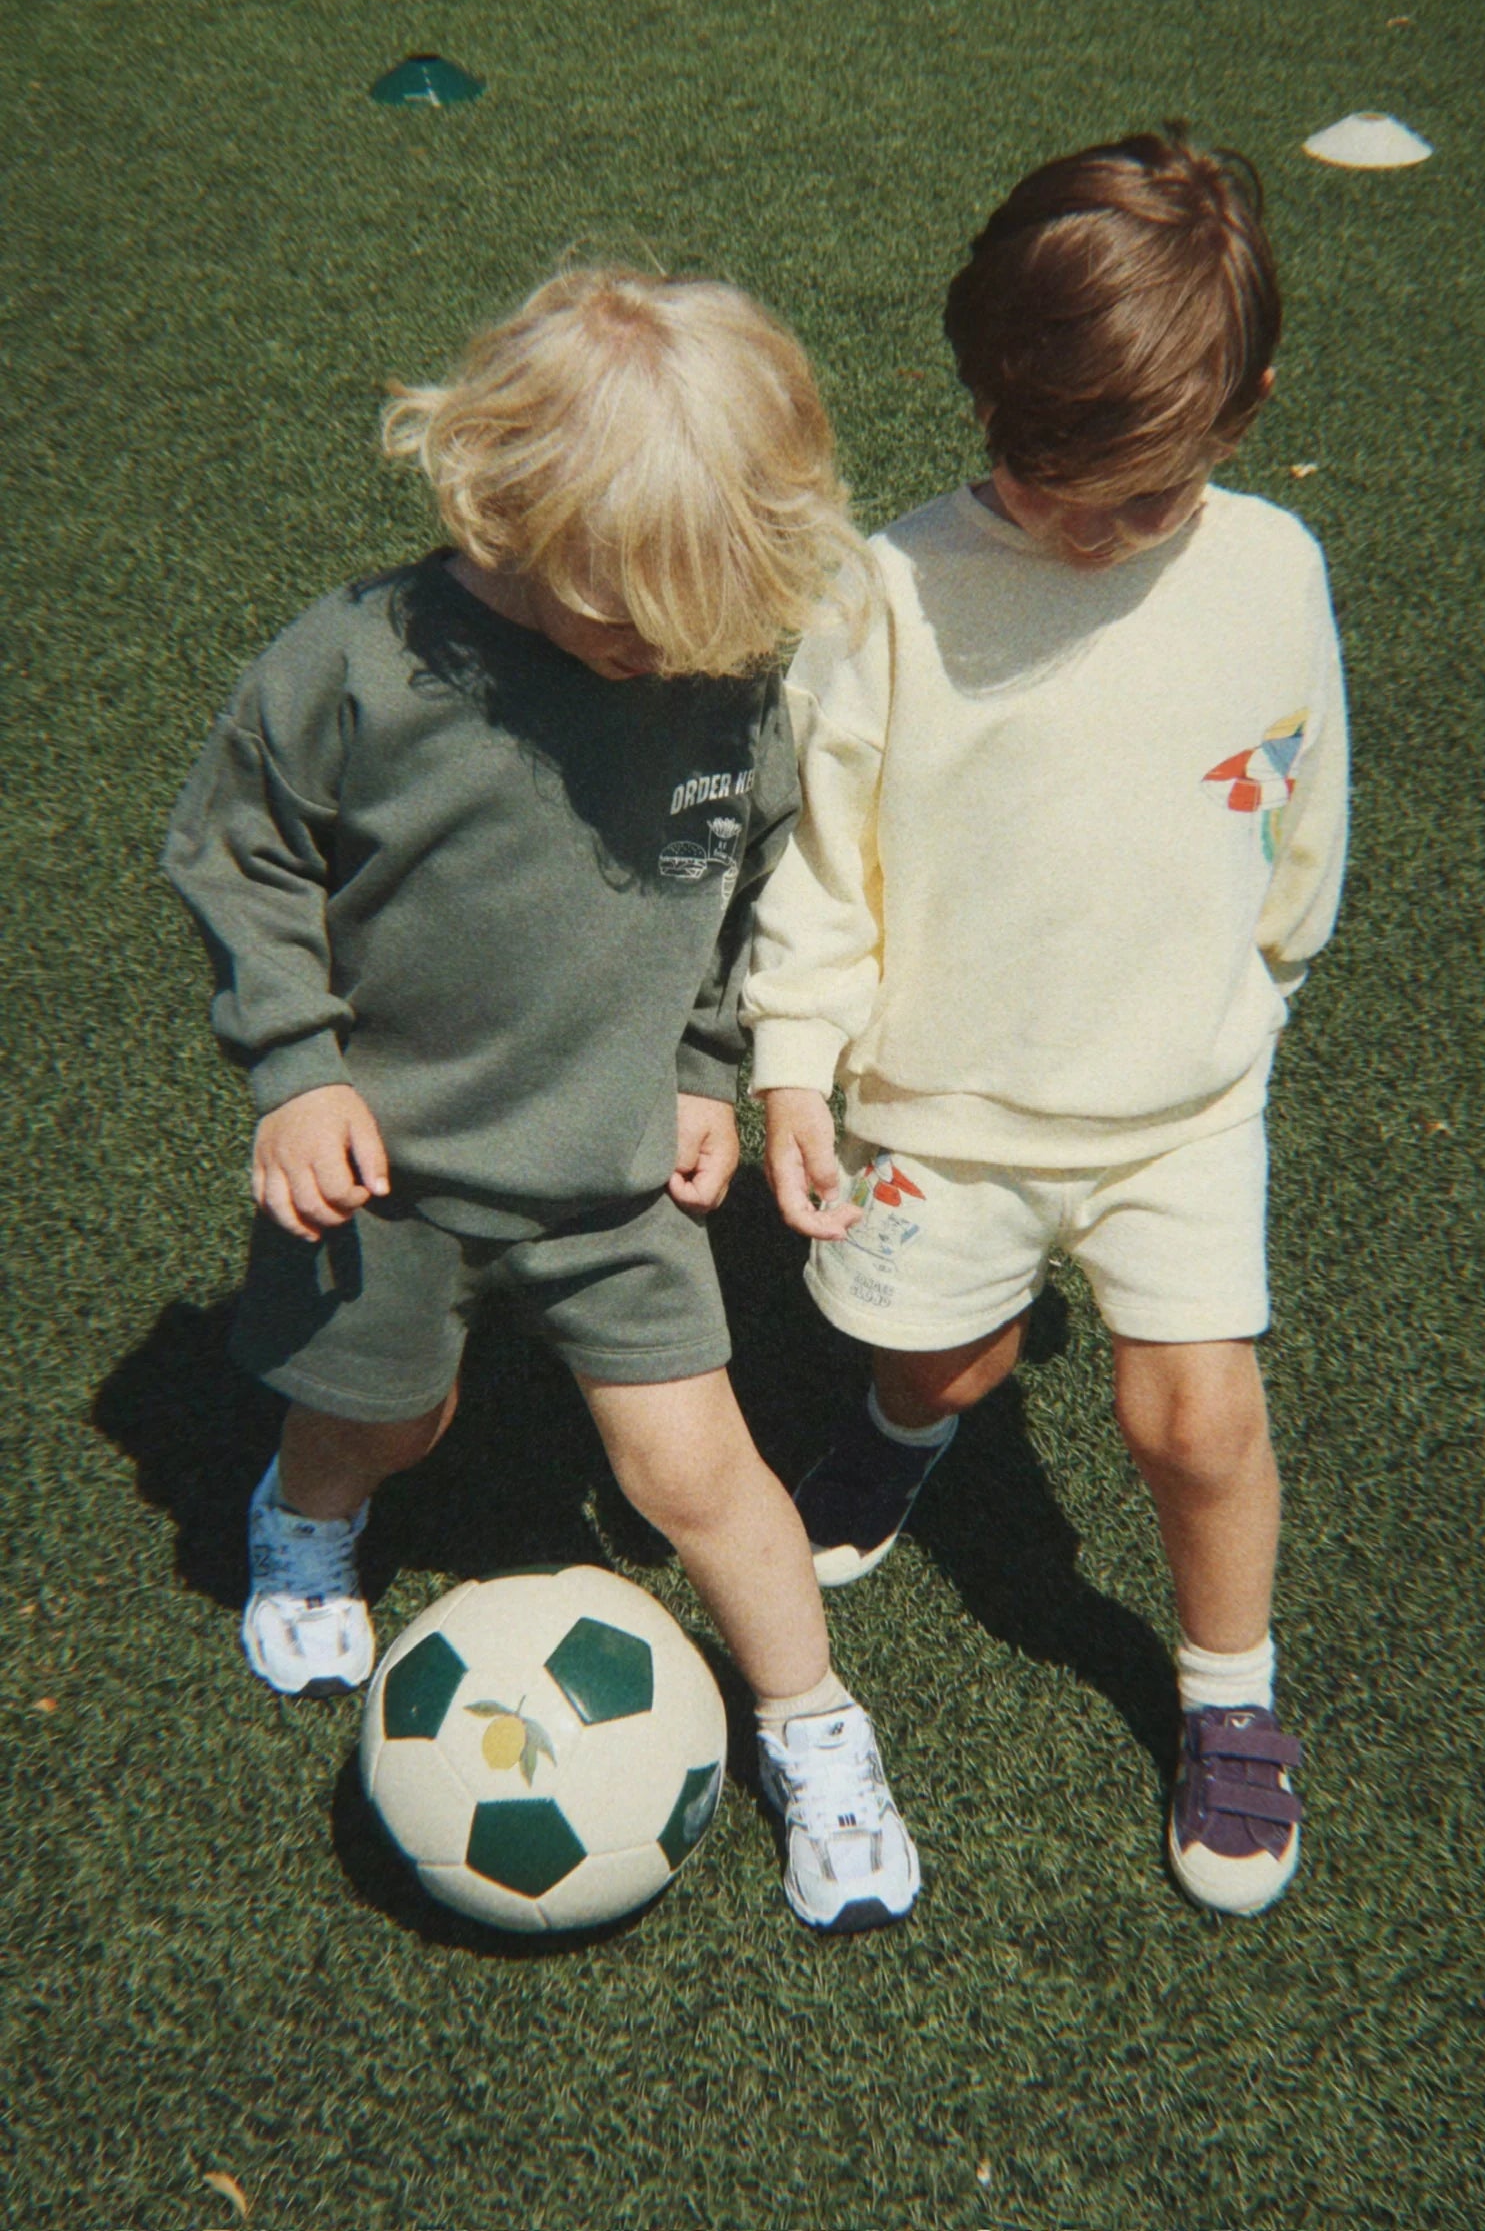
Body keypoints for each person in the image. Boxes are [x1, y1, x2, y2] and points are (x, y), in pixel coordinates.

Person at [162, 266, 919, 1932]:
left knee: (698, 1475)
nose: (664, 652)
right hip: (388, 1174)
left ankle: (813, 1724)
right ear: (502, 508)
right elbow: (242, 851)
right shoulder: (359, 667)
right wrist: (294, 1072)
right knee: (387, 1422)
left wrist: (705, 1069)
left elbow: (738, 893)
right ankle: (306, 1515)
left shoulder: (716, 669)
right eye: (626, 614)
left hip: (611, 1180)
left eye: (707, 618)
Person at [743, 130, 1348, 1916]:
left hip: (1179, 1105)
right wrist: (793, 1062)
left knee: (1196, 1423)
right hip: (946, 1110)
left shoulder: (1273, 570)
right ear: (984, 393)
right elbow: (825, 858)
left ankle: (1229, 1697)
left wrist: (1259, 981)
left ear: (1244, 414)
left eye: (1142, 499)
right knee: (948, 1362)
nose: (1087, 531)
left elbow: (1296, 802)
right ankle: (903, 1432)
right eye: (1042, 478)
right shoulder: (890, 592)